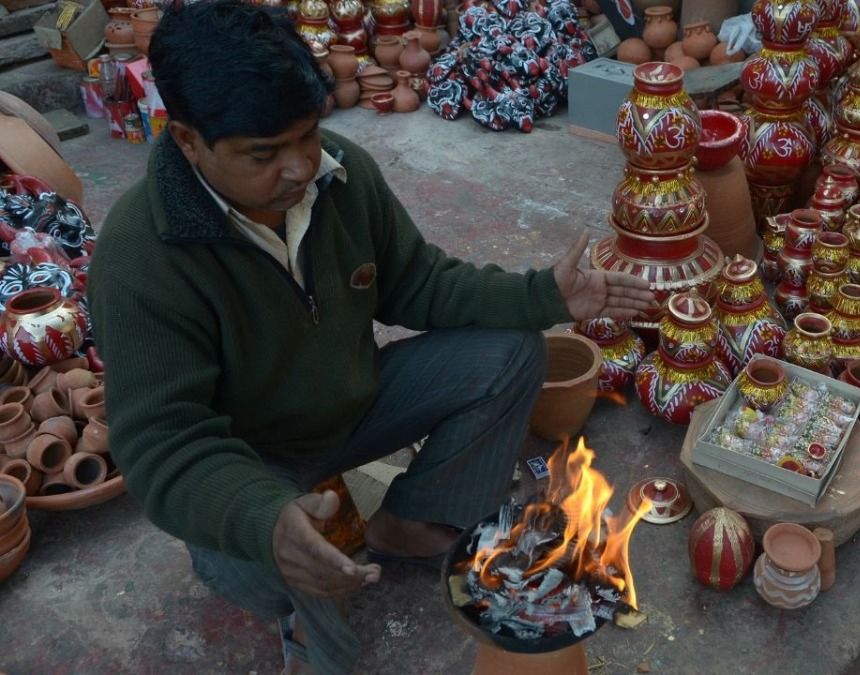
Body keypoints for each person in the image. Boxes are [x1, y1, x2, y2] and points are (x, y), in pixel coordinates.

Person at [85, 2, 655, 673]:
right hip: (250, 460)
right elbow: (160, 442)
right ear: (187, 140)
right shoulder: (139, 254)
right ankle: (318, 640)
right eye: (264, 154)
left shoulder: (340, 173)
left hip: (351, 409)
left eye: (306, 134)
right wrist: (262, 515)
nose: (299, 167)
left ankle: (408, 524)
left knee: (510, 350)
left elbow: (421, 282)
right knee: (273, 557)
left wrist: (545, 295)